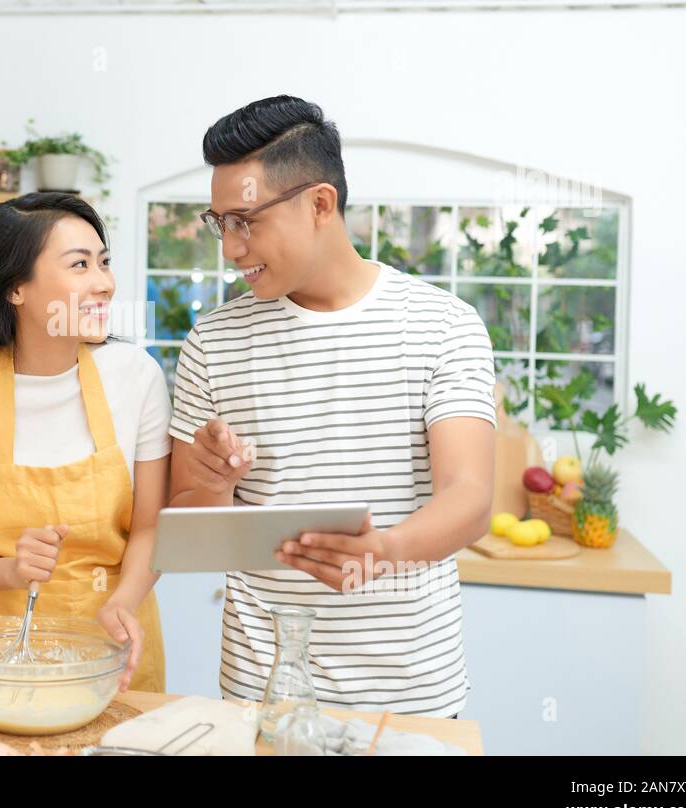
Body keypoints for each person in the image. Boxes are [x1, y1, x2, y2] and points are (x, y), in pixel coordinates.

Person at [169, 96, 496, 717]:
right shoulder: (213, 341)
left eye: (246, 221)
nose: (230, 249)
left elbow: (469, 497)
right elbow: (192, 523)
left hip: (410, 698)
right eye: (219, 223)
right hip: (261, 694)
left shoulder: (442, 325)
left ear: (320, 204)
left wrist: (387, 550)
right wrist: (213, 485)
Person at [0, 192, 171, 692]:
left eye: (104, 262)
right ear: (16, 289)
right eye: (79, 265)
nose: (104, 284)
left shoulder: (136, 377)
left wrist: (122, 602)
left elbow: (150, 527)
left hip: (117, 648)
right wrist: (10, 570)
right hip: (5, 656)